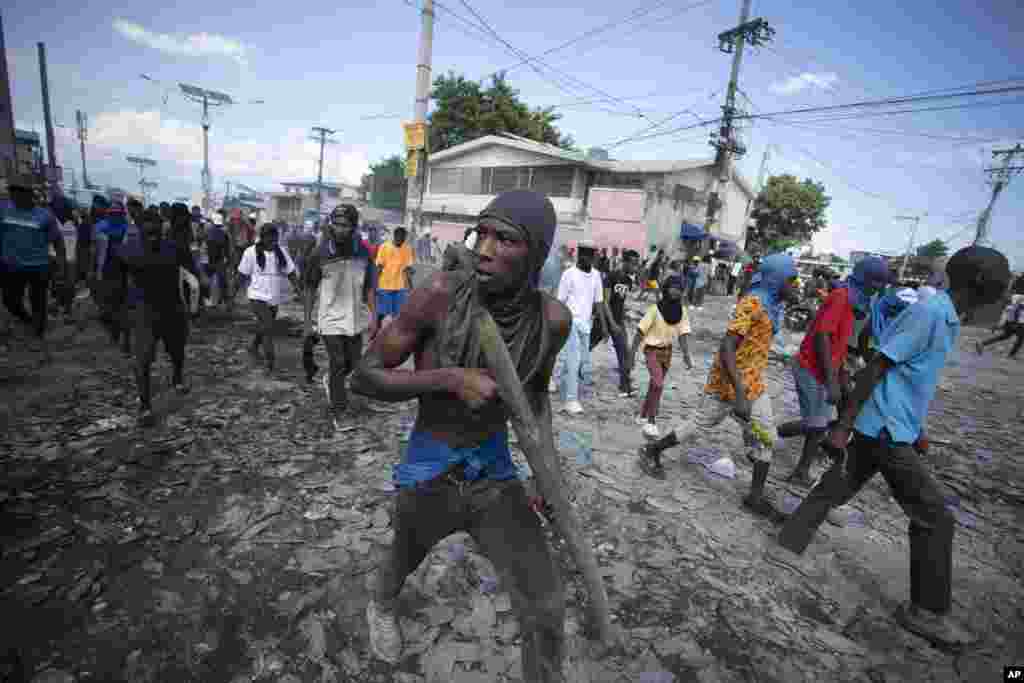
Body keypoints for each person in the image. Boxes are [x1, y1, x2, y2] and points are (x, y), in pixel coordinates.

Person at [351, 190, 570, 680]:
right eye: (483, 233)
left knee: (545, 605)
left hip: (494, 473)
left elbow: (534, 400)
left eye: (505, 239)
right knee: (402, 557)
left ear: (535, 252)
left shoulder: (552, 320)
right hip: (432, 466)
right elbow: (363, 376)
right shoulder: (439, 295)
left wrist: (549, 476)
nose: (486, 249)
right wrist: (448, 379)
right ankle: (381, 604)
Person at [775, 247, 1005, 650]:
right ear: (982, 286)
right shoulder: (930, 314)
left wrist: (917, 429)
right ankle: (926, 611)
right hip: (882, 429)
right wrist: (843, 426)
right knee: (934, 516)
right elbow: (876, 368)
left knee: (837, 486)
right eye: (1003, 288)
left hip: (891, 426)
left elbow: (910, 378)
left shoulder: (945, 317)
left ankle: (788, 541)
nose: (1005, 296)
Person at [638, 254, 799, 521]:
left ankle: (755, 496)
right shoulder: (752, 303)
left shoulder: (772, 305)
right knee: (699, 424)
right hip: (729, 382)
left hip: (753, 383)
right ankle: (653, 449)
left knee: (766, 436)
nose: (796, 286)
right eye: (791, 280)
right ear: (776, 279)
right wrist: (738, 392)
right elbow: (727, 347)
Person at [775, 257, 891, 486]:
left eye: (882, 282)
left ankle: (778, 436)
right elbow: (823, 336)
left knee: (822, 422)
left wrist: (840, 375)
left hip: (825, 368)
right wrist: (831, 381)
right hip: (811, 367)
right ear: (864, 277)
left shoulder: (856, 301)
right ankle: (798, 469)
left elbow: (839, 342)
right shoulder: (842, 297)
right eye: (876, 280)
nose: (879, 286)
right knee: (818, 424)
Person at [303, 204, 377, 426]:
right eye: (336, 224)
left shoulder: (363, 251)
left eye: (345, 225)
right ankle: (339, 411)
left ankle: (332, 383)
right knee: (337, 361)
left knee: (353, 363)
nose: (339, 229)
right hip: (329, 317)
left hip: (354, 316)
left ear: (354, 227)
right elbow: (309, 288)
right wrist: (308, 322)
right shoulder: (320, 253)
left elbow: (370, 286)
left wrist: (373, 316)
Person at [117, 210, 194, 426]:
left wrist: (198, 293)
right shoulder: (127, 251)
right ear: (139, 228)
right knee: (142, 360)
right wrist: (121, 316)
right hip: (144, 312)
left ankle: (177, 378)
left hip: (173, 309)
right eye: (146, 226)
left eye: (155, 227)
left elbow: (192, 271)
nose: (151, 231)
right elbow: (117, 283)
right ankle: (145, 406)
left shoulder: (174, 248)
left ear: (162, 228)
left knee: (177, 351)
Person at [0, 178, 66, 348]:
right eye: (12, 191)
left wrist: (61, 263)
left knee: (39, 301)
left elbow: (58, 241)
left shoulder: (44, 215)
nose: (14, 195)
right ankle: (26, 318)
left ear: (30, 195)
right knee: (10, 300)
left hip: (39, 266)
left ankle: (38, 332)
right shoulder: (4, 211)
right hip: (10, 266)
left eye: (19, 192)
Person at [554, 239, 618, 416]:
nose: (588, 258)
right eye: (585, 255)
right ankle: (571, 400)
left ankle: (555, 379)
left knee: (583, 362)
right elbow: (560, 302)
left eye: (591, 255)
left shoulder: (597, 275)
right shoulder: (569, 274)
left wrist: (604, 327)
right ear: (580, 255)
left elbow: (599, 303)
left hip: (586, 325)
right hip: (570, 322)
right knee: (574, 361)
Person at [628, 273, 693, 438]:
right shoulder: (654, 309)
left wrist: (686, 355)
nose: (676, 291)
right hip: (651, 350)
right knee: (658, 384)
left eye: (679, 289)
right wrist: (632, 353)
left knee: (654, 386)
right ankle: (651, 420)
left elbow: (683, 334)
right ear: (666, 289)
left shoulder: (682, 312)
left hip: (667, 352)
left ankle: (642, 415)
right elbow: (640, 331)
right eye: (673, 287)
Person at [237, 224, 300, 374]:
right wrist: (231, 294)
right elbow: (242, 275)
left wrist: (299, 289)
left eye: (275, 238)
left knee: (265, 326)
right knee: (268, 327)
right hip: (256, 296)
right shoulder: (250, 252)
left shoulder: (281, 252)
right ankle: (269, 362)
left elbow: (290, 272)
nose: (272, 241)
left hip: (274, 297)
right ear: (262, 237)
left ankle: (253, 347)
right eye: (269, 238)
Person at [606, 250, 640, 397]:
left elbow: (621, 302)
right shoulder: (612, 275)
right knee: (585, 348)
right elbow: (605, 301)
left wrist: (628, 315)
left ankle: (625, 386)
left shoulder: (628, 281)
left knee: (624, 353)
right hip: (605, 319)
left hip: (618, 321)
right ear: (625, 262)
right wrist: (611, 322)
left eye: (636, 263)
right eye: (633, 263)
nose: (635, 267)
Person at [375, 226, 415, 326]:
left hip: (400, 288)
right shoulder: (384, 247)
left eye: (404, 238)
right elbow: (379, 266)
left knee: (398, 315)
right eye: (400, 237)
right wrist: (375, 284)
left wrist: (411, 287)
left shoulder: (407, 249)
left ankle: (393, 335)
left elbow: (407, 269)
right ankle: (376, 333)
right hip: (384, 285)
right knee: (383, 313)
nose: (401, 240)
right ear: (395, 236)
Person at [50, 195, 78, 322]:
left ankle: (67, 311)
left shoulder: (74, 222)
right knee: (57, 285)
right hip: (55, 258)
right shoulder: (51, 222)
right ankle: (56, 309)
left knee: (70, 286)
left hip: (71, 259)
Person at [976, 293, 1024, 358]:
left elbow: (1004, 318)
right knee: (1020, 339)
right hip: (1018, 323)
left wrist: (998, 326)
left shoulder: (1009, 306)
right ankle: (1011, 355)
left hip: (1011, 323)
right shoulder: (1017, 302)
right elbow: (1016, 310)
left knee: (1005, 336)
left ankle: (982, 343)